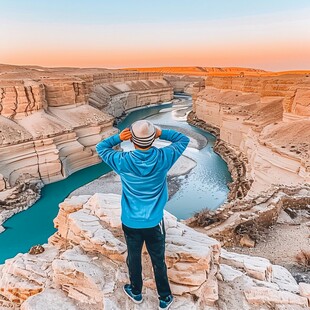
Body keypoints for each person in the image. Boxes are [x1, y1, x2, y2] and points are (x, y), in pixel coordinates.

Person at [96, 119, 190, 310]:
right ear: (152, 139)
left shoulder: (122, 161)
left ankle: (136, 292)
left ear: (132, 139)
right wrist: (160, 133)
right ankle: (164, 298)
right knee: (158, 260)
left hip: (130, 221)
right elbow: (183, 139)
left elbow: (101, 147)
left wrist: (117, 138)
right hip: (154, 222)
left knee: (134, 257)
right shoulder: (165, 156)